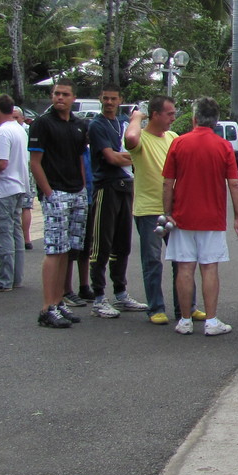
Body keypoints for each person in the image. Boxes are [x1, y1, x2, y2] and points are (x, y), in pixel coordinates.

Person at [162, 97, 238, 336]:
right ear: (216, 120)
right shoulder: (223, 146)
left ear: (194, 118)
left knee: (184, 267)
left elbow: (168, 182)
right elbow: (233, 183)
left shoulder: (179, 143)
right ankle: (211, 321)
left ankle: (185, 319)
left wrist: (167, 212)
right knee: (209, 267)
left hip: (182, 216)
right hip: (212, 216)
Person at [126, 96, 200, 324]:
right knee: (153, 261)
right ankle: (156, 308)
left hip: (173, 210)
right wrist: (137, 116)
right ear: (155, 114)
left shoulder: (173, 137)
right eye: (169, 114)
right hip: (149, 210)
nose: (173, 118)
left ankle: (186, 307)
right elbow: (130, 137)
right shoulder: (141, 140)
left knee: (182, 260)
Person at [29, 79, 90, 329]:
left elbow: (79, 159)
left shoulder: (78, 125)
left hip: (77, 192)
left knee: (68, 249)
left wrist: (83, 188)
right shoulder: (42, 124)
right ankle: (47, 307)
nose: (59, 98)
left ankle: (58, 300)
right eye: (56, 94)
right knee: (54, 249)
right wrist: (48, 192)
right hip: (56, 192)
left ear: (73, 98)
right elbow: (35, 162)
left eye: (64, 94)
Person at [86, 84, 146, 317]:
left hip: (126, 187)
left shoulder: (122, 122)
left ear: (120, 99)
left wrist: (127, 157)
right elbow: (111, 157)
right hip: (106, 188)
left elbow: (135, 150)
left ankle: (121, 294)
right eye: (105, 98)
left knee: (122, 244)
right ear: (100, 99)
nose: (109, 102)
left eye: (113, 98)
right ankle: (99, 297)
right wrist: (130, 158)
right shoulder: (97, 125)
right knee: (101, 244)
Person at [0, 95, 28, 292]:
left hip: (2, 189)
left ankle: (5, 278)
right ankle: (16, 277)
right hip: (18, 185)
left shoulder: (2, 133)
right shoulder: (19, 129)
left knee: (2, 234)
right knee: (15, 233)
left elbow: (1, 162)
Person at [13, 107, 34, 252]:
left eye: (16, 118)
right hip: (14, 172)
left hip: (26, 171)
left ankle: (26, 238)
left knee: (26, 206)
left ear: (22, 118)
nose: (14, 121)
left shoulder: (27, 130)